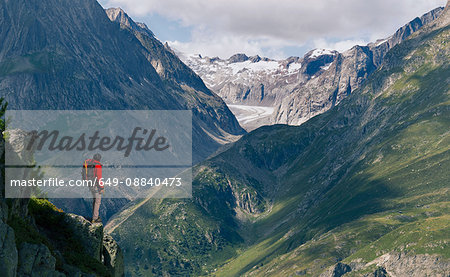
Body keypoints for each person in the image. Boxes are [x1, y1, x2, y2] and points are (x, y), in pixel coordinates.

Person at [82, 153, 104, 223]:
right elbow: (99, 178)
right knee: (98, 200)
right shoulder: (98, 165)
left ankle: (95, 215)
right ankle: (95, 218)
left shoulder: (89, 162)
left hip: (90, 183)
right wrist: (102, 188)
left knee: (95, 199)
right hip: (95, 184)